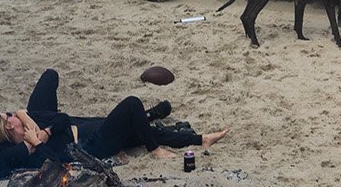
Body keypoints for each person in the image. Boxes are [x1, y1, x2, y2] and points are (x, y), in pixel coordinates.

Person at [22, 68, 227, 158]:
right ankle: (167, 145)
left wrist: (34, 124)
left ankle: (149, 116)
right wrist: (37, 141)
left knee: (50, 75)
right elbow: (51, 160)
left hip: (77, 124)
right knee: (133, 108)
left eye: (9, 119)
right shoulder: (15, 149)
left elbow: (62, 117)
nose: (10, 122)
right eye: (9, 125)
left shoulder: (21, 120)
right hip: (91, 143)